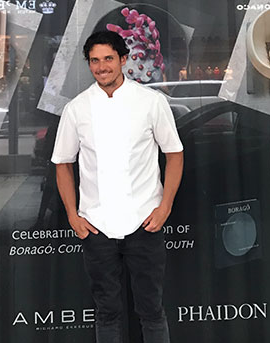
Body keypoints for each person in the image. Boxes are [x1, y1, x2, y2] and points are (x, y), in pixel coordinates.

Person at [51, 30, 184, 343]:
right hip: (97, 227)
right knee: (107, 312)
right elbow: (62, 164)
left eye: (108, 59)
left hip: (144, 223)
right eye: (95, 61)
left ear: (123, 60)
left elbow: (175, 155)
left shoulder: (151, 102)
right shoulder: (77, 109)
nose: (101, 67)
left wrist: (164, 207)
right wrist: (73, 215)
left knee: (151, 310)